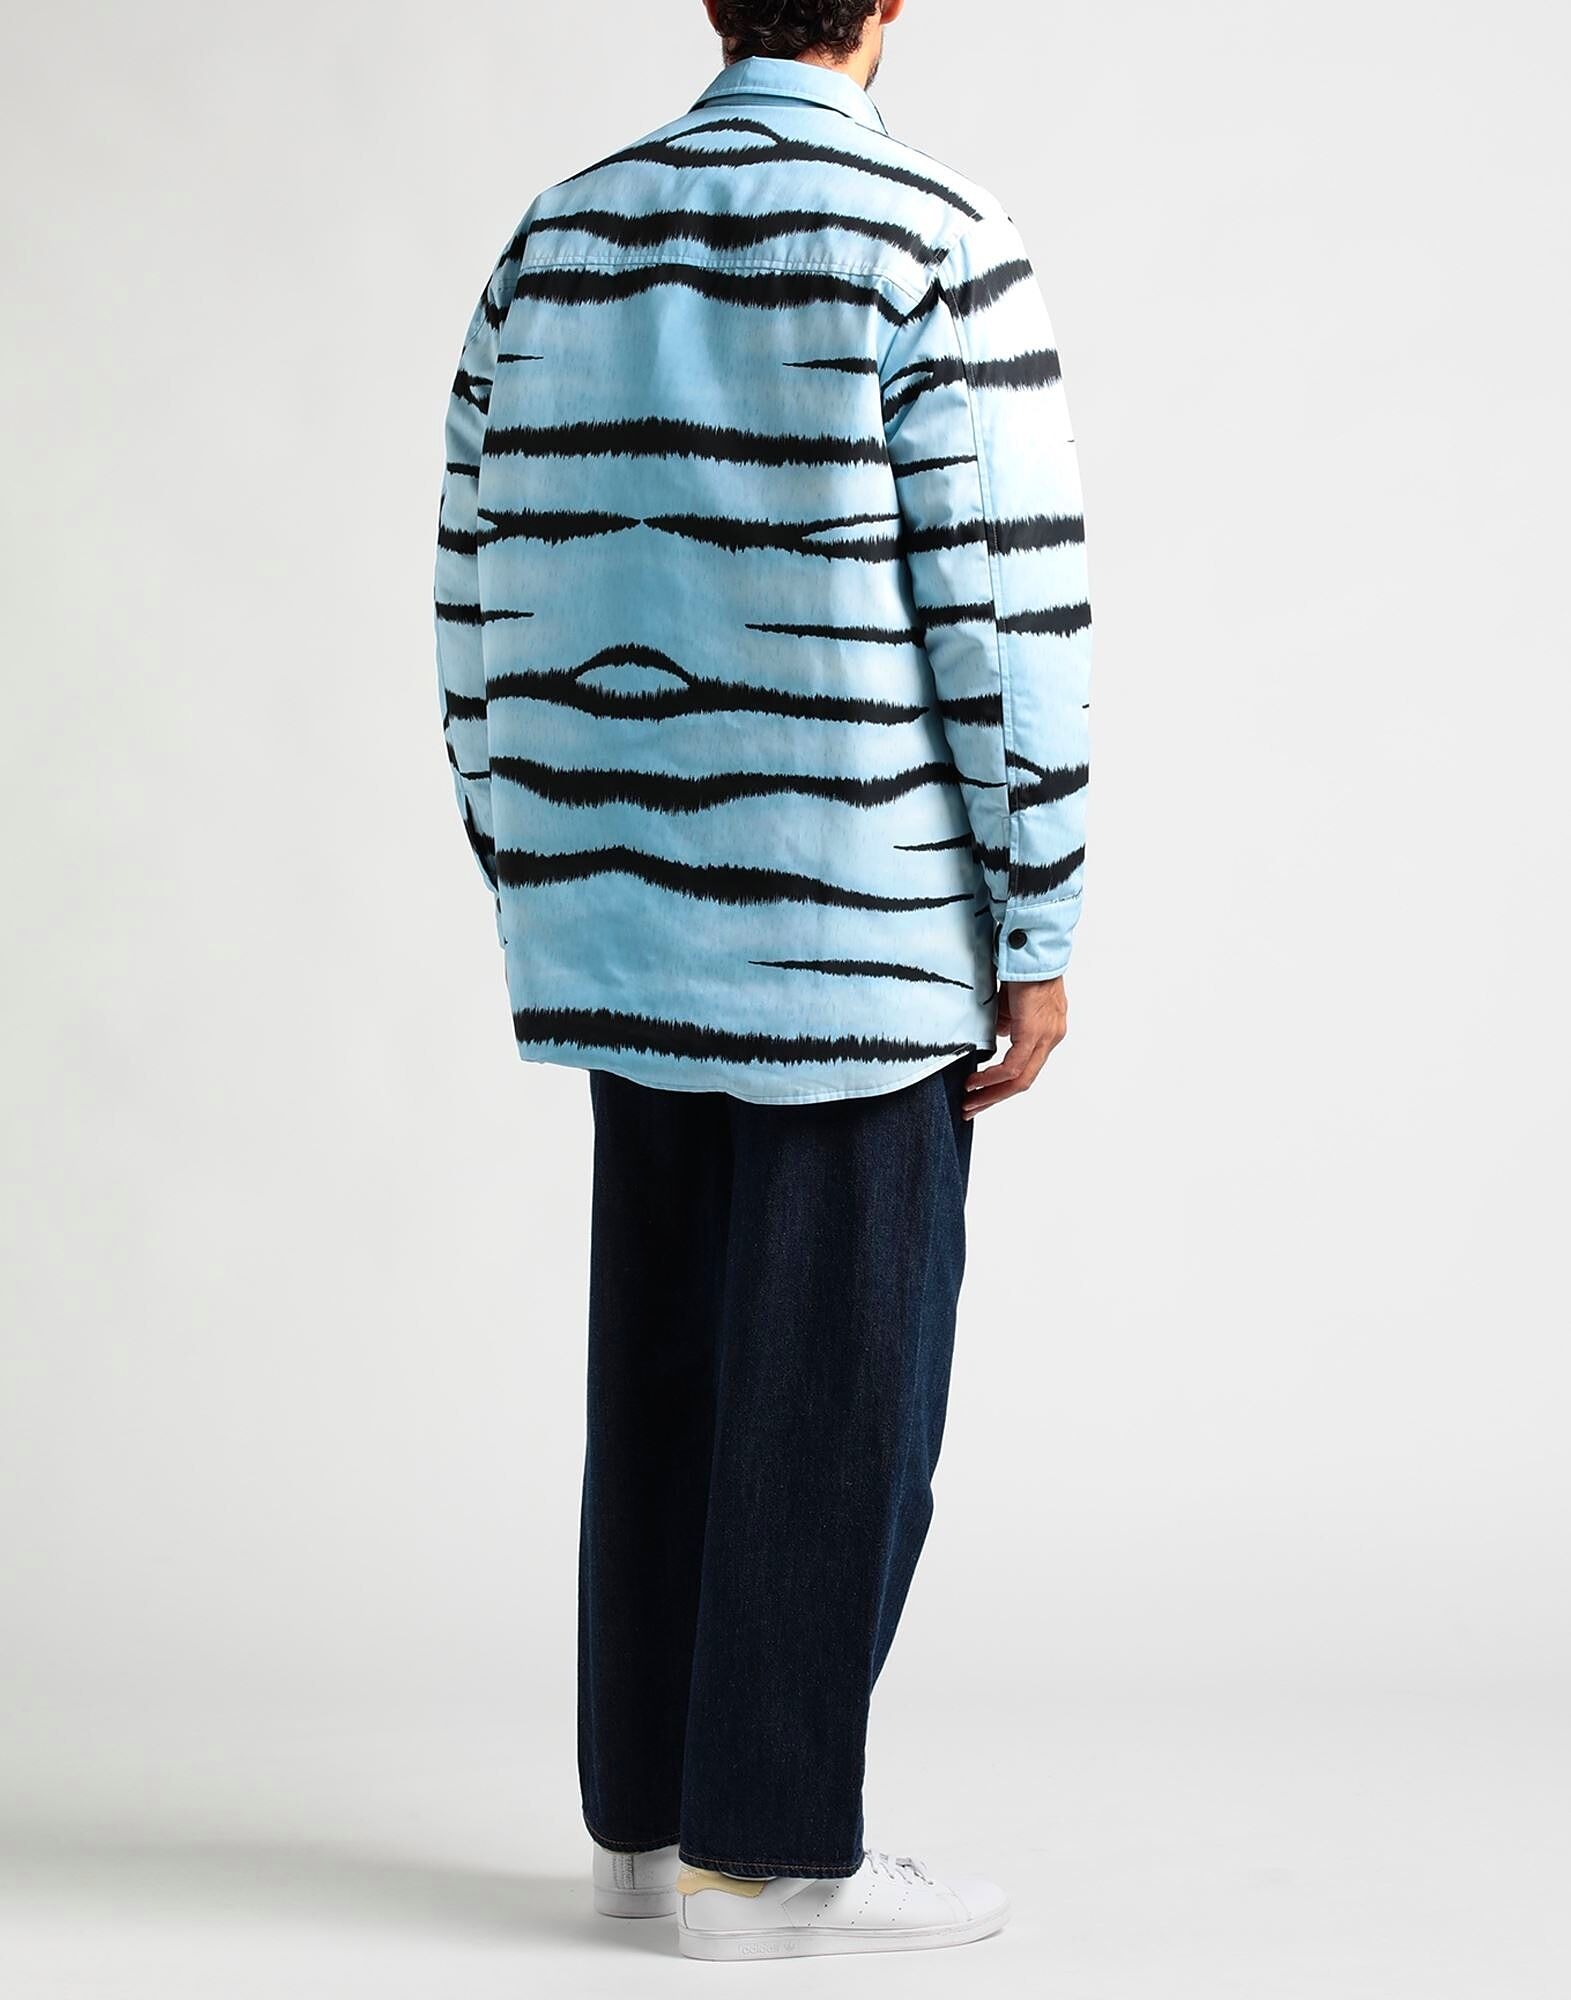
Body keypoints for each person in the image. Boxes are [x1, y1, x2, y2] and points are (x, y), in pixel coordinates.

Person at [432, 0, 1092, 1962]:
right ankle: (770, 1856)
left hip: (627, 914)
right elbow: (1007, 613)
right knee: (836, 1399)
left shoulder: (558, 233)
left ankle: (647, 1826)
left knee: (661, 1374)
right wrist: (1038, 925)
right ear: (886, 5)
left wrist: (536, 864)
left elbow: (473, 583)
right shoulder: (931, 234)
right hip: (853, 933)